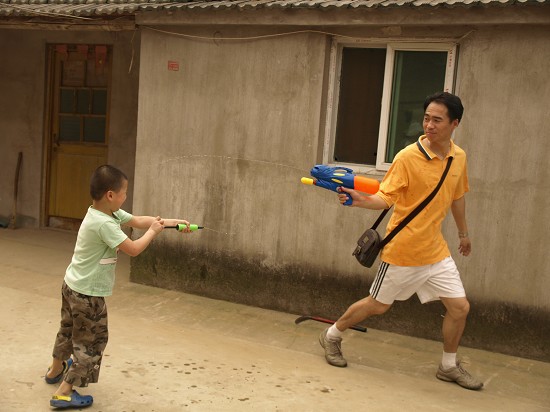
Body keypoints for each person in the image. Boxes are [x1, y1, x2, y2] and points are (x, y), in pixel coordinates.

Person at [319, 92, 483, 390]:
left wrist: (464, 234)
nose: (429, 125)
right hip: (403, 252)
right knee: (377, 305)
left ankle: (448, 366)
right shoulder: (407, 157)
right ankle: (332, 335)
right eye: (426, 118)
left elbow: (457, 196)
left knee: (460, 307)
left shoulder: (458, 157)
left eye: (437, 120)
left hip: (436, 252)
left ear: (454, 124)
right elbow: (385, 197)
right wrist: (359, 200)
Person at [44, 165, 193, 408]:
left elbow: (139, 220)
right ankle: (64, 392)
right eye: (124, 192)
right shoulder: (105, 224)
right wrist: (153, 232)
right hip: (88, 295)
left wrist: (172, 223)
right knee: (92, 341)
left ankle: (55, 370)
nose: (126, 196)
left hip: (72, 285)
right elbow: (133, 249)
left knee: (68, 330)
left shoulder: (104, 213)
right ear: (111, 195)